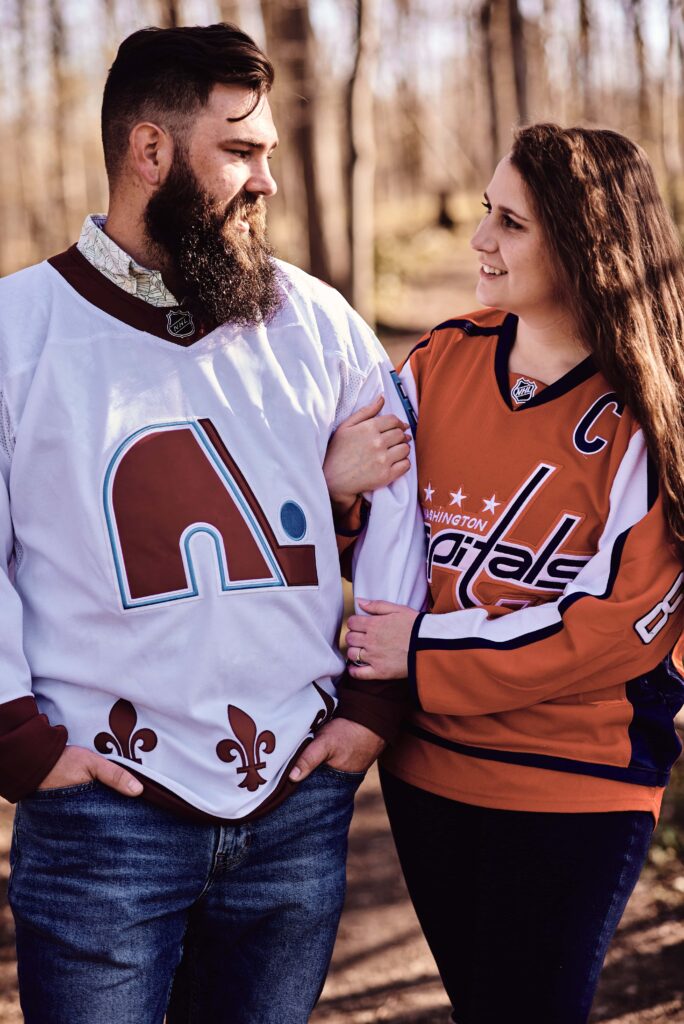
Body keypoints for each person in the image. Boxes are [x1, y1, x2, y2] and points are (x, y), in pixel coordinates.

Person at [0, 23, 426, 1024]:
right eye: (240, 149)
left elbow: (404, 496)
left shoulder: (313, 321)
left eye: (271, 150)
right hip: (103, 812)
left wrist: (374, 697)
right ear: (149, 152)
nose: (266, 179)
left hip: (295, 801)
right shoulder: (20, 332)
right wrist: (15, 737)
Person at [332, 124, 684, 1024]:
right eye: (487, 212)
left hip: (575, 782)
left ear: (584, 239)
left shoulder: (649, 411)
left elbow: (614, 629)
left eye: (512, 223)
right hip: (429, 775)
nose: (480, 240)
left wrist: (422, 649)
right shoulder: (439, 361)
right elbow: (380, 545)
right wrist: (336, 494)